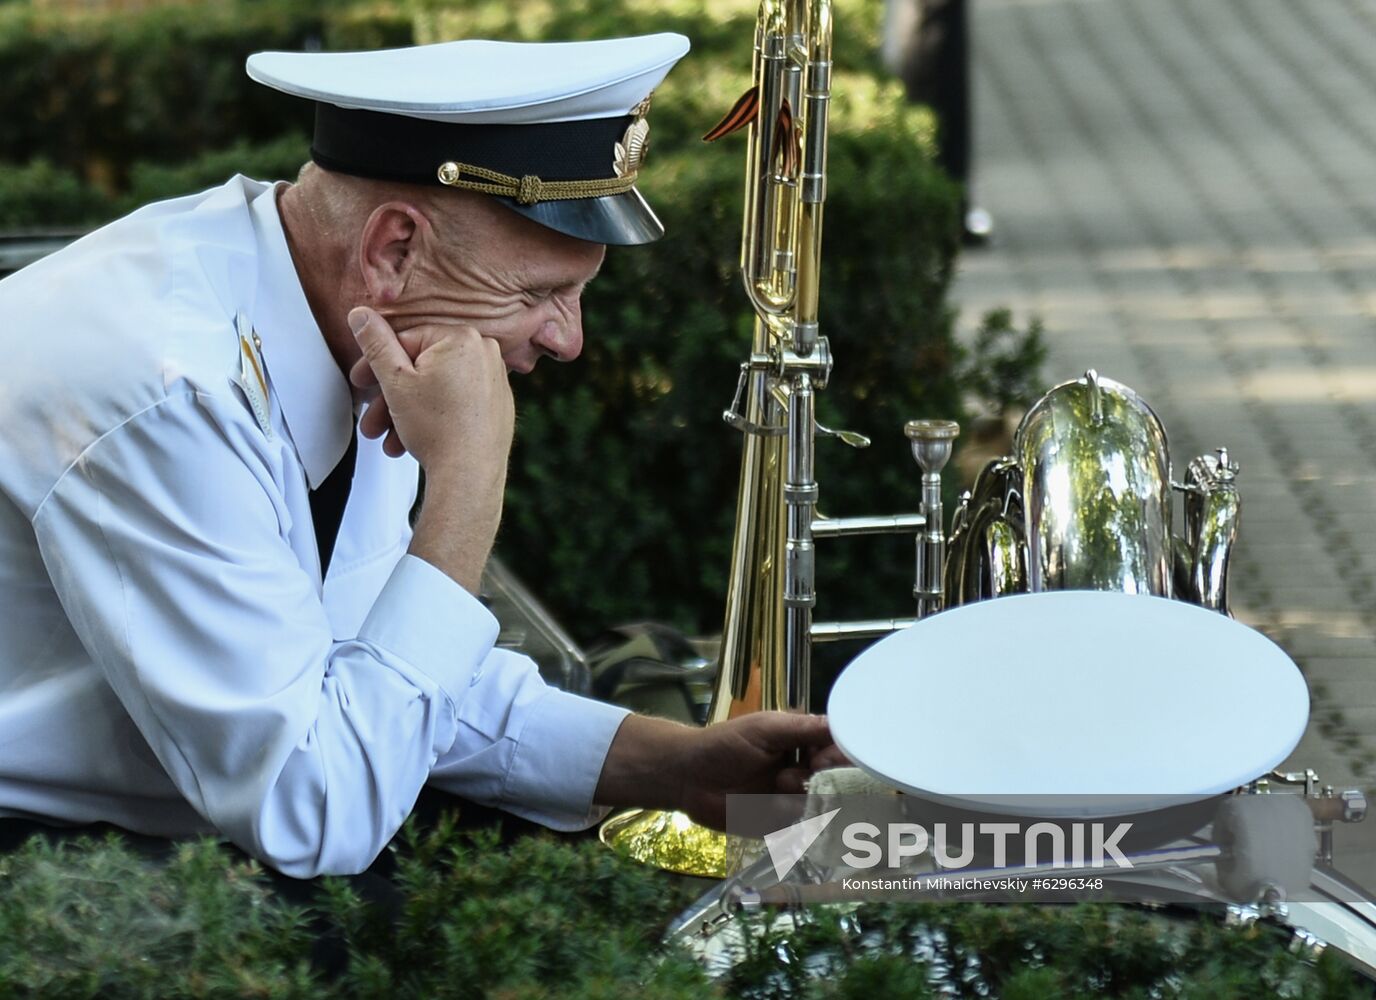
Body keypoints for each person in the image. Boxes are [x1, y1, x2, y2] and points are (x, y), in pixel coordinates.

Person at [0, 34, 842, 877]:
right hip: (50, 883)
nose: (569, 340)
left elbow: (376, 663)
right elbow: (315, 808)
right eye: (540, 292)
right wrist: (467, 489)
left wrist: (676, 766)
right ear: (393, 250)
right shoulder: (172, 392)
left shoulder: (347, 311)